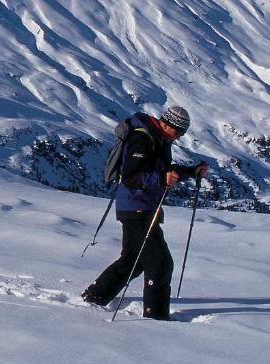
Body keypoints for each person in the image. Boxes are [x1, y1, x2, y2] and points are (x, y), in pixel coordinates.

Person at [81, 105, 208, 320]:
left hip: (142, 208)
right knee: (160, 263)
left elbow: (163, 170)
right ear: (166, 124)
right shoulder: (143, 139)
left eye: (182, 133)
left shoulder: (160, 139)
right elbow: (129, 177)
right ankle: (156, 318)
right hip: (135, 208)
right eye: (177, 131)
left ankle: (95, 296)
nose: (178, 137)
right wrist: (161, 179)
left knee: (133, 260)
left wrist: (190, 171)